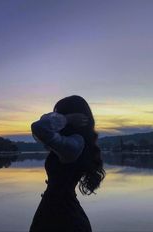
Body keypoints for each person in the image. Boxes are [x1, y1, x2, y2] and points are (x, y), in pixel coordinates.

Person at [29, 95, 106, 232]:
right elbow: (43, 122)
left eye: (59, 114)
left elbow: (39, 127)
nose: (56, 117)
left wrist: (67, 119)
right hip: (57, 212)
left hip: (61, 218)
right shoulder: (67, 142)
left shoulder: (74, 144)